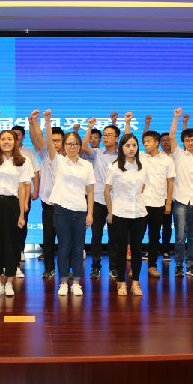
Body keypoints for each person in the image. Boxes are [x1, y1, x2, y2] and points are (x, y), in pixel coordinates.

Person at [44, 110, 95, 296]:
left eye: (75, 144)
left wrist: (90, 214)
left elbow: (90, 191)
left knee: (78, 248)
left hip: (80, 211)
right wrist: (48, 121)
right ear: (63, 146)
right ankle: (64, 282)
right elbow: (49, 144)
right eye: (69, 144)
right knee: (64, 247)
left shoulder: (86, 165)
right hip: (62, 210)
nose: (72, 147)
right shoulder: (58, 161)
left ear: (80, 146)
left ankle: (77, 283)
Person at [0, 129, 33, 297]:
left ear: (15, 142)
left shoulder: (23, 161)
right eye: (3, 139)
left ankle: (10, 282)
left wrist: (21, 214)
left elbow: (22, 187)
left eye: (10, 139)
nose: (6, 142)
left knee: (12, 244)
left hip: (13, 203)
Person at [81, 112, 129, 279]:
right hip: (98, 200)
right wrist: (89, 127)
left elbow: (128, 139)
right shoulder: (97, 153)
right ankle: (95, 266)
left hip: (116, 201)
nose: (106, 138)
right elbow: (84, 146)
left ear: (117, 139)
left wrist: (126, 122)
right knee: (96, 236)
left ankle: (114, 267)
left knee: (114, 237)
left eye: (110, 135)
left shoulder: (122, 156)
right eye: (105, 135)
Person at [105, 133, 147, 296]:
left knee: (137, 249)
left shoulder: (142, 166)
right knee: (121, 249)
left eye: (134, 145)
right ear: (121, 148)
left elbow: (142, 187)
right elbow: (107, 190)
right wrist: (110, 212)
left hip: (139, 213)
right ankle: (121, 282)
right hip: (120, 213)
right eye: (128, 145)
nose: (131, 148)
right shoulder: (114, 167)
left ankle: (135, 282)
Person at [29, 109, 67, 280]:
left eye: (58, 140)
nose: (55, 143)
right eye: (52, 140)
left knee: (66, 241)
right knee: (48, 239)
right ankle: (49, 268)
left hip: (66, 204)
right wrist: (34, 122)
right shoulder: (45, 152)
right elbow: (36, 137)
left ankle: (66, 270)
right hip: (49, 204)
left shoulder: (70, 157)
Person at [139, 127, 174, 278]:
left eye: (148, 141)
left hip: (158, 203)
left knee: (154, 237)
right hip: (140, 203)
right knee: (137, 236)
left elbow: (170, 182)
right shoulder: (140, 157)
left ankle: (152, 266)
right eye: (144, 142)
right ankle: (135, 267)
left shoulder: (167, 160)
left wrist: (168, 203)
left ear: (157, 142)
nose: (145, 144)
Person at [168, 110, 193, 278]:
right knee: (180, 236)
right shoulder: (179, 154)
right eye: (187, 140)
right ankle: (179, 264)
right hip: (180, 200)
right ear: (184, 142)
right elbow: (172, 136)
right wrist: (176, 117)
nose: (190, 142)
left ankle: (191, 263)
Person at [9, 125, 40, 277]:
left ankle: (20, 250)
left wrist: (35, 191)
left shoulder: (28, 153)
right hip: (8, 197)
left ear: (23, 137)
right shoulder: (4, 153)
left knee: (22, 226)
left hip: (23, 196)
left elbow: (35, 173)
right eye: (13, 135)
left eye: (18, 135)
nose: (16, 137)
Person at [159, 130, 174, 258]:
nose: (165, 142)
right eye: (163, 140)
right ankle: (153, 249)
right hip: (160, 195)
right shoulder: (158, 156)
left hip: (176, 196)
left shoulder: (178, 155)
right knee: (156, 225)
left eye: (168, 140)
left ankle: (165, 250)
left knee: (168, 226)